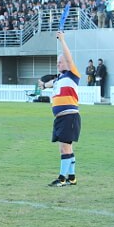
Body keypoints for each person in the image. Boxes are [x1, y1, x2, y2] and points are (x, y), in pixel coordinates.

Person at [39, 31, 81, 187]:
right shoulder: (60, 79)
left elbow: (68, 57)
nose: (59, 64)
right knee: (65, 148)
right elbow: (50, 84)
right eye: (57, 62)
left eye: (60, 62)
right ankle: (72, 177)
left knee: (64, 148)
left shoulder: (72, 75)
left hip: (69, 116)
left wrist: (62, 40)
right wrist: (44, 85)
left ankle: (62, 179)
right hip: (61, 118)